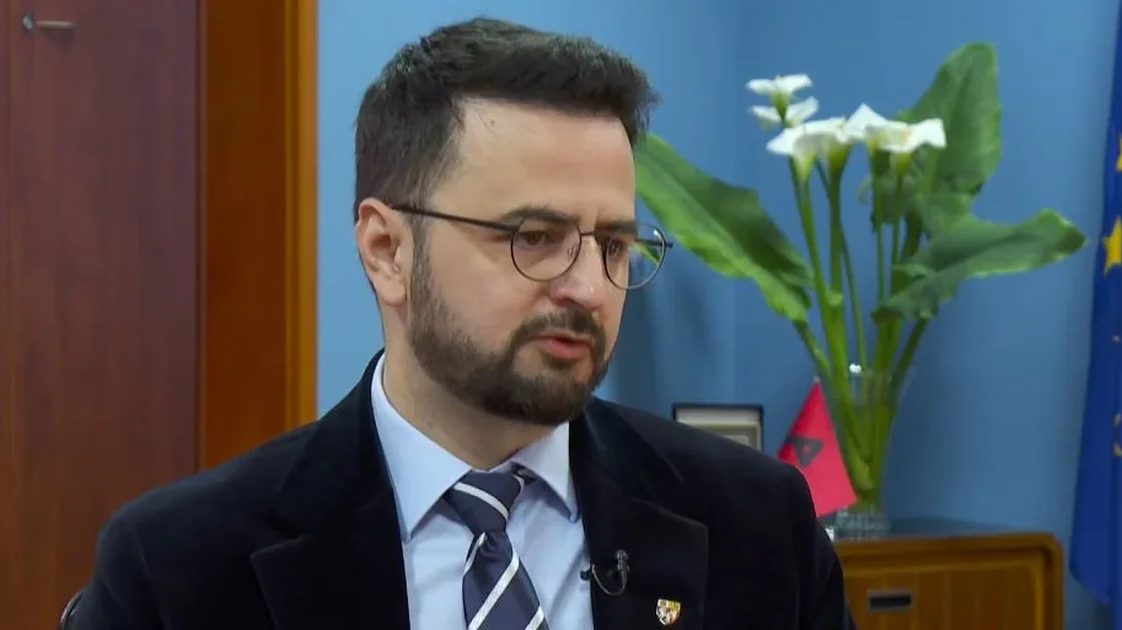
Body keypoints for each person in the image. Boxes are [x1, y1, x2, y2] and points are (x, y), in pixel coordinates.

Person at [71, 16, 855, 630]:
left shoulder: (759, 529)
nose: (589, 288)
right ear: (386, 251)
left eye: (614, 245)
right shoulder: (180, 567)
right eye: (534, 237)